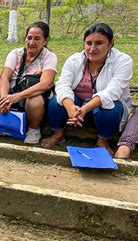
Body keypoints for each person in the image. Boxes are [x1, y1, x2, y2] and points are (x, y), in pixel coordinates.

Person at [41, 23, 133, 155]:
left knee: (110, 107)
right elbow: (62, 85)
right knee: (57, 102)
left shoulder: (123, 61)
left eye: (99, 43)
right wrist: (71, 107)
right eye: (88, 43)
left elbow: (112, 91)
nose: (92, 48)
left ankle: (103, 141)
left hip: (101, 106)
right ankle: (58, 134)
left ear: (111, 43)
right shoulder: (74, 60)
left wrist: (84, 109)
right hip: (77, 103)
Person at [0, 21, 57, 144]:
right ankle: (2, 125)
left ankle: (34, 129)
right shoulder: (16, 53)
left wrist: (17, 97)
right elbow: (4, 78)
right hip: (12, 92)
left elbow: (46, 83)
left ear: (45, 41)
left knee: (34, 101)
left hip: (33, 95)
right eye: (29, 38)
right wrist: (4, 98)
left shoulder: (49, 57)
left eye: (37, 39)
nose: (31, 42)